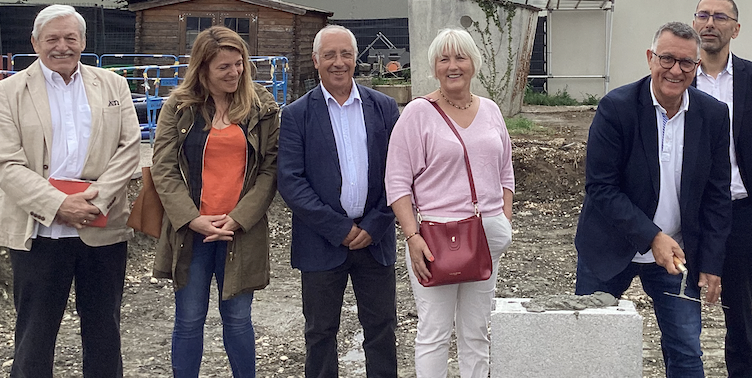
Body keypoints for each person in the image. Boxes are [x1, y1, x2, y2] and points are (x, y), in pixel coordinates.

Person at [0, 4, 141, 378]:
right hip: (39, 230)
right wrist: (58, 205)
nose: (62, 46)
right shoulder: (8, 91)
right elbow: (6, 163)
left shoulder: (113, 85)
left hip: (101, 228)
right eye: (52, 38)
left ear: (83, 41)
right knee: (35, 335)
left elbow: (130, 147)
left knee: (104, 331)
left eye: (70, 37)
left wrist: (97, 199)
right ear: (35, 42)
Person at [574, 21, 732, 378]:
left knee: (686, 351)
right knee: (591, 346)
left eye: (686, 63)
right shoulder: (616, 108)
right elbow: (601, 187)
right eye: (667, 59)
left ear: (697, 66)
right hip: (610, 245)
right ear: (650, 58)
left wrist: (712, 260)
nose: (675, 70)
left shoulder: (713, 115)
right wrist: (651, 237)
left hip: (676, 252)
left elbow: (717, 195)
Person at [385, 28, 514, 378]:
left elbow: (505, 172)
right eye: (444, 59)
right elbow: (397, 181)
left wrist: (503, 220)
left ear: (474, 63)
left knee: (476, 331)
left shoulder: (490, 110)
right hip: (435, 238)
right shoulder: (417, 113)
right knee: (434, 333)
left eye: (460, 57)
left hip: (485, 235)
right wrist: (413, 237)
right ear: (434, 67)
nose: (453, 66)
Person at [152, 26, 280, 378]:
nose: (234, 73)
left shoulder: (261, 107)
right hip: (192, 233)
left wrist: (239, 218)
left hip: (239, 232)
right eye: (224, 67)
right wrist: (192, 219)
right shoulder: (178, 107)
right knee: (189, 319)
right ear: (203, 68)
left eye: (239, 64)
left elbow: (269, 170)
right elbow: (163, 169)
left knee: (239, 319)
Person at [277, 25, 400, 378]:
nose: (338, 62)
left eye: (345, 54)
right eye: (329, 55)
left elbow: (399, 173)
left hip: (374, 239)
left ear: (355, 57)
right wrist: (340, 229)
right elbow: (291, 180)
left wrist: (375, 224)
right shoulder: (296, 114)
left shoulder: (384, 108)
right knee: (319, 333)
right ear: (316, 61)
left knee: (381, 330)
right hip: (321, 240)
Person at [691, 0, 752, 378]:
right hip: (688, 212)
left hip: (742, 212)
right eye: (703, 15)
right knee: (680, 304)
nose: (710, 23)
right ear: (694, 23)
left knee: (739, 311)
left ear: (736, 29)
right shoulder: (678, 74)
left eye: (720, 17)